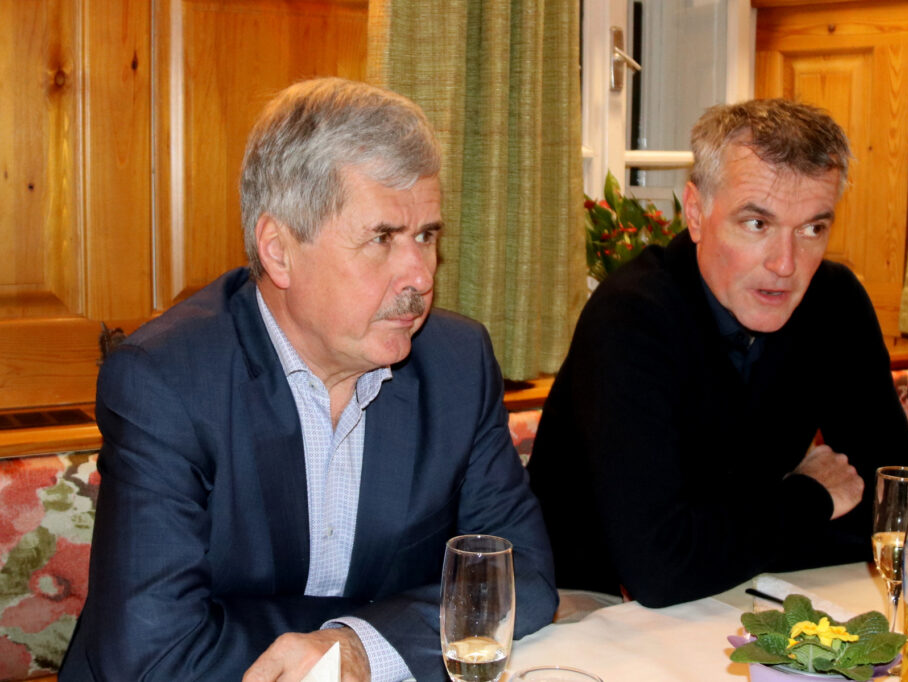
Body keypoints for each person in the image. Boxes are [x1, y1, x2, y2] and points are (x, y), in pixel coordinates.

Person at [60, 78, 557, 681]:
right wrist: (365, 635)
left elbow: (519, 578)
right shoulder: (167, 381)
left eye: (426, 236)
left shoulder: (456, 364)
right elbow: (152, 655)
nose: (420, 275)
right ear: (279, 251)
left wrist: (360, 646)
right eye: (382, 238)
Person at [527, 99, 908, 608]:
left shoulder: (834, 303)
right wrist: (810, 498)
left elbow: (896, 515)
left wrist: (727, 540)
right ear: (696, 213)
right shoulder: (631, 317)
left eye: (812, 229)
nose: (786, 264)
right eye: (757, 224)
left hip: (740, 592)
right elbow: (659, 569)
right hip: (581, 606)